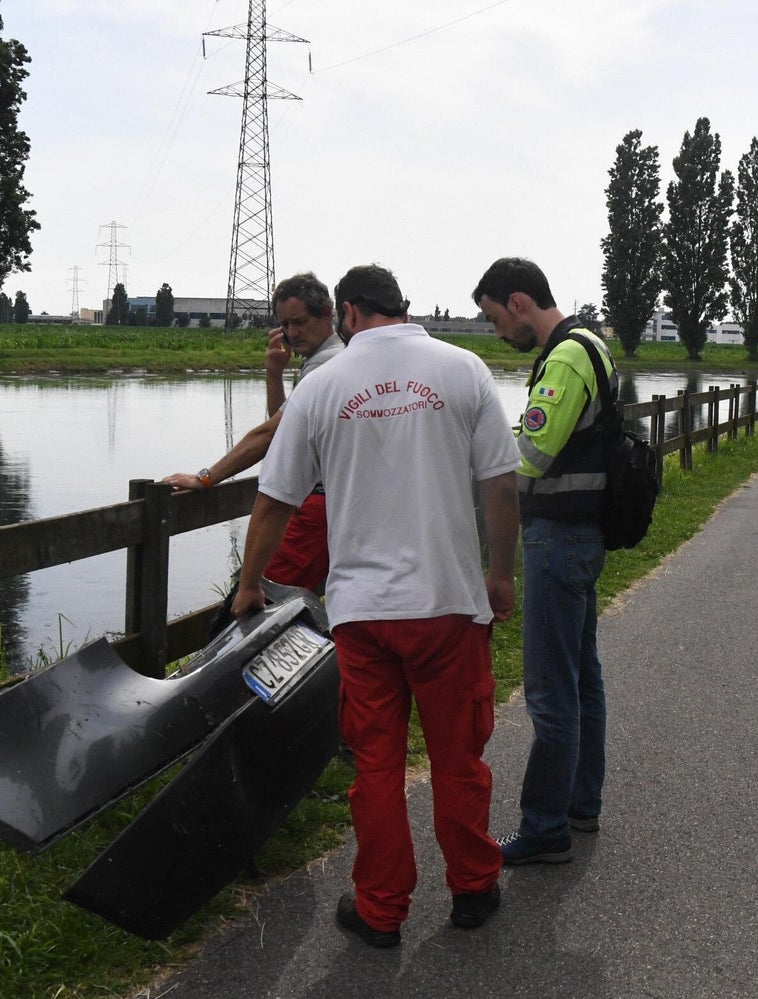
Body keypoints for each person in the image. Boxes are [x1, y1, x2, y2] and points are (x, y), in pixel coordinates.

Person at [232, 264, 520, 947]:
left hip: (363, 614)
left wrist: (249, 586)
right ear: (402, 307)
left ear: (350, 313)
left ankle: (381, 907)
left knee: (377, 766)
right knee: (458, 758)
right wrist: (501, 574)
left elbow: (273, 500)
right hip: (449, 603)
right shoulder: (464, 369)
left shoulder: (322, 387)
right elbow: (501, 486)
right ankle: (473, 888)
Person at [472, 257, 613, 866]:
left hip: (557, 539)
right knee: (581, 675)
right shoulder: (592, 343)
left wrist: (474, 453)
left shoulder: (566, 355)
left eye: (495, 316)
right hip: (583, 535)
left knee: (551, 689)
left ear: (520, 301)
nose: (498, 332)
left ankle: (545, 826)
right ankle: (579, 803)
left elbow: (529, 452)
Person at [163, 274, 343, 634]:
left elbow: (267, 436)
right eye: (284, 324)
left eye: (300, 322)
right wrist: (274, 374)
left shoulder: (328, 364)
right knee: (285, 605)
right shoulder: (324, 360)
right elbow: (287, 434)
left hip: (317, 508)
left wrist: (205, 477)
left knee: (255, 604)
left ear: (328, 314)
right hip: (326, 507)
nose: (291, 332)